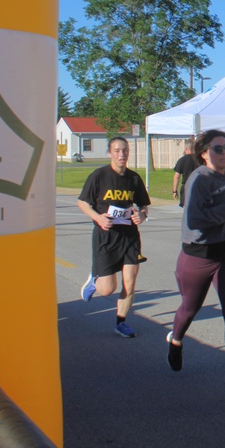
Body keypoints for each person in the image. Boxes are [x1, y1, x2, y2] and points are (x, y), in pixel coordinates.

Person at [166, 129, 225, 399]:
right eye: (218, 149)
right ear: (204, 153)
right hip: (200, 253)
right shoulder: (199, 179)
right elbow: (195, 219)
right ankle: (176, 340)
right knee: (190, 308)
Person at [77, 136, 151, 339]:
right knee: (107, 290)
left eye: (125, 150)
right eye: (117, 150)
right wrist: (98, 218)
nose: (122, 154)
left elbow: (144, 206)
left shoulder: (134, 178)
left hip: (129, 237)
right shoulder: (99, 176)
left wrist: (141, 215)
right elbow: (83, 202)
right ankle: (95, 280)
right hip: (106, 237)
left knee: (130, 281)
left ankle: (121, 323)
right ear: (110, 153)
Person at [172, 138, 199, 208]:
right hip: (198, 186)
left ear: (186, 148)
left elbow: (177, 176)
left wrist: (174, 191)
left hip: (186, 186)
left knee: (186, 208)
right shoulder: (199, 160)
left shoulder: (182, 160)